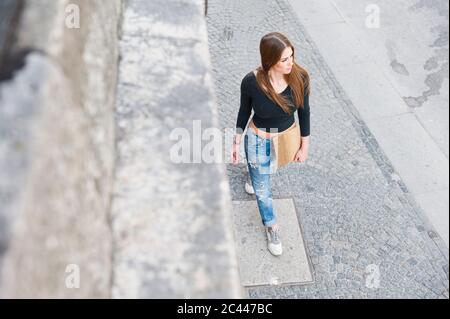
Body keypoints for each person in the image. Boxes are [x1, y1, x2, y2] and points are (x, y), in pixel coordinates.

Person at [231, 32, 311, 256]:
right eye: (284, 59)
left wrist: (305, 146)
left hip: (286, 138)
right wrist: (236, 140)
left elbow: (305, 113)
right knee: (263, 189)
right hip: (258, 140)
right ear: (270, 60)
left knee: (266, 173)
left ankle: (253, 174)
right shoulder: (251, 82)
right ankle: (271, 225)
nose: (291, 63)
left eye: (292, 56)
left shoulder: (300, 77)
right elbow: (244, 111)